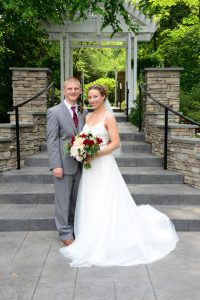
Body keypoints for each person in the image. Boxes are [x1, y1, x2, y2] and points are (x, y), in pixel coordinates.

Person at [60, 84, 178, 267]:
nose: (92, 100)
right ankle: (92, 233)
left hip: (104, 164)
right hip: (90, 167)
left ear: (103, 96)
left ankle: (109, 237)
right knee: (93, 199)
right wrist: (81, 150)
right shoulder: (88, 116)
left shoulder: (109, 116)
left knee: (107, 198)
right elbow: (82, 139)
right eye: (89, 97)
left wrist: (94, 153)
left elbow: (115, 143)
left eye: (95, 97)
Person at [46, 77, 88, 246]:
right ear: (64, 91)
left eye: (76, 89)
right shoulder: (54, 112)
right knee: (63, 200)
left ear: (80, 91)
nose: (72, 91)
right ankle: (64, 233)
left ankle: (73, 227)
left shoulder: (83, 111)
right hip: (63, 164)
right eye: (69, 89)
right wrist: (55, 165)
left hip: (81, 164)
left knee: (76, 200)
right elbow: (52, 140)